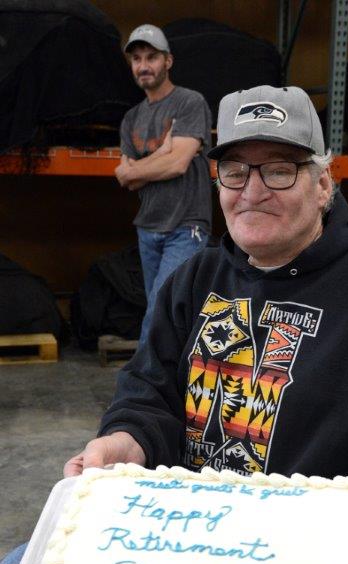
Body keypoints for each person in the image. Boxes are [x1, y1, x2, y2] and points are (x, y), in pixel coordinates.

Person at [0, 86, 348, 564]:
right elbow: (148, 393)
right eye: (235, 172)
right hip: (186, 537)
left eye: (279, 169)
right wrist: (128, 438)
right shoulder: (193, 281)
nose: (253, 191)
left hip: (311, 559)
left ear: (323, 185)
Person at [115, 24, 212, 343]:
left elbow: (178, 163)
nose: (143, 65)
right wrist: (165, 151)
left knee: (160, 309)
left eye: (152, 57)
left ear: (168, 61)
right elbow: (125, 178)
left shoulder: (189, 103)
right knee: (168, 312)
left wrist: (149, 165)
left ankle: (140, 387)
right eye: (137, 59)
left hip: (186, 226)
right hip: (148, 227)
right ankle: (172, 383)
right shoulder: (131, 118)